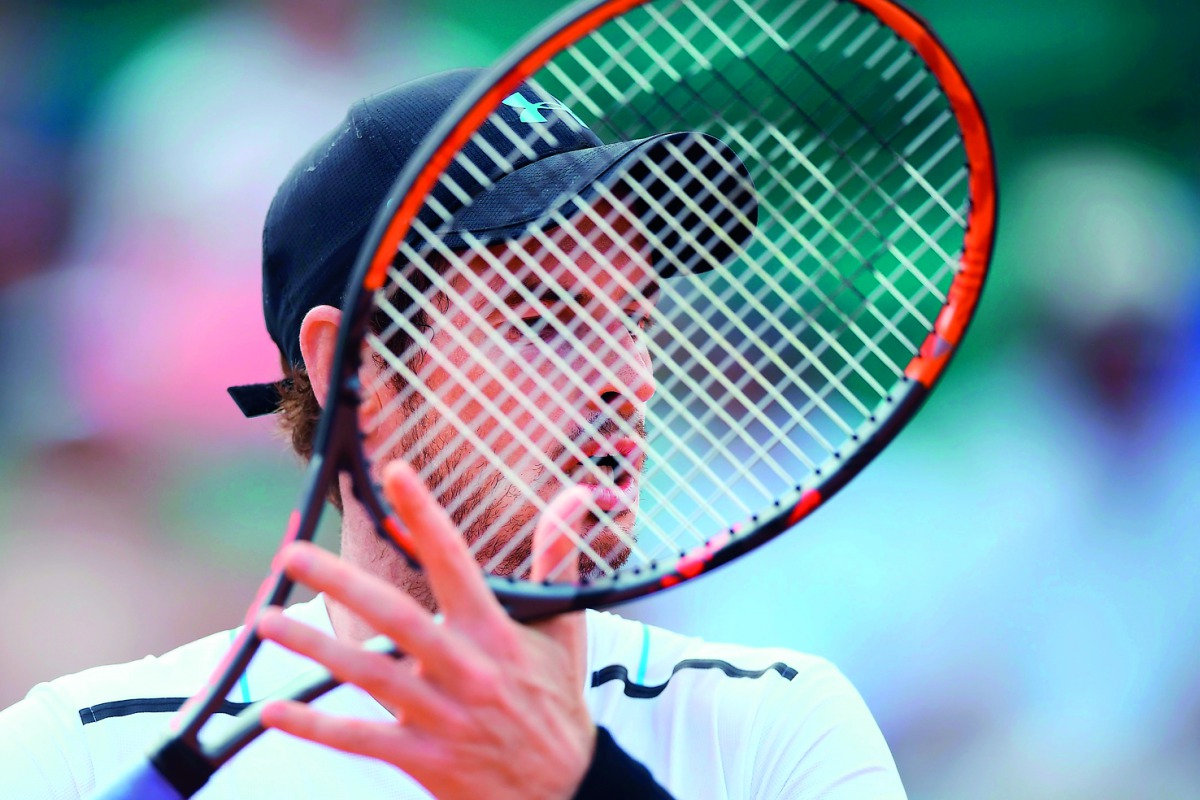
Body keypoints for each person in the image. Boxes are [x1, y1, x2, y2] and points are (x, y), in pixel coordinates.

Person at [0, 69, 907, 799]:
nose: (626, 377)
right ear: (352, 369)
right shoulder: (72, 753)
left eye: (634, 317)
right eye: (546, 315)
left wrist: (578, 789)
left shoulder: (774, 728)